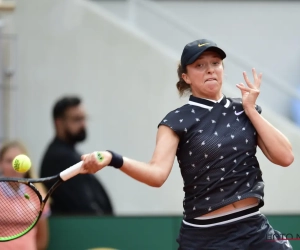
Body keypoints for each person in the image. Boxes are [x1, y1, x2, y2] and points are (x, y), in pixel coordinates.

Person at [79, 39, 294, 249]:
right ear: (186, 77)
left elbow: (285, 157)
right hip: (206, 237)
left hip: (253, 228)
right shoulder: (176, 121)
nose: (210, 70)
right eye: (200, 65)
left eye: (215, 63)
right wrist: (113, 158)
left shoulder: (244, 110)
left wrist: (250, 110)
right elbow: (156, 174)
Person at [40, 96, 113, 215]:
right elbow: (83, 206)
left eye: (84, 118)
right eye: (77, 119)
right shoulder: (60, 158)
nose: (83, 124)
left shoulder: (68, 153)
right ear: (59, 123)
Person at [0, 141, 50, 250]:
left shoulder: (38, 195)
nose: (14, 166)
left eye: (18, 161)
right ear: (1, 164)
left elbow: (42, 239)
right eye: (9, 161)